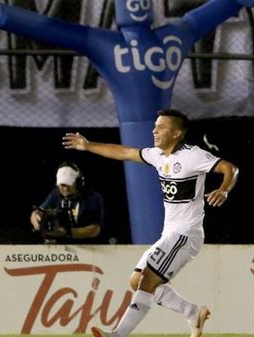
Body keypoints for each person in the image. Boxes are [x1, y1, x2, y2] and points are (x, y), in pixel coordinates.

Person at [62, 109, 239, 337]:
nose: (154, 131)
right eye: (155, 126)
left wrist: (223, 190)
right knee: (136, 281)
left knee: (146, 279)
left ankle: (118, 335)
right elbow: (125, 152)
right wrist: (88, 146)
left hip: (185, 234)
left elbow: (230, 168)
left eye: (161, 127)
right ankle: (192, 312)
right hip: (170, 234)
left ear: (176, 133)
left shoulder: (193, 155)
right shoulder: (157, 155)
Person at [29, 162, 104, 244]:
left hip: (89, 246)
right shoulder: (55, 194)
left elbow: (95, 229)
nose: (64, 188)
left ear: (78, 183)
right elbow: (38, 212)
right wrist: (36, 218)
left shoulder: (92, 198)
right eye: (61, 184)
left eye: (68, 184)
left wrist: (67, 233)